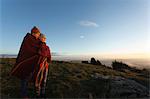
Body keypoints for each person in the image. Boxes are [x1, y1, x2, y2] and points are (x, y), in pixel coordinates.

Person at [10, 26, 41, 98]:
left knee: (27, 77)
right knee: (24, 78)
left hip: (30, 63)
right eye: (38, 34)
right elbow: (28, 50)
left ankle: (25, 91)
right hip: (25, 61)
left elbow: (38, 47)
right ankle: (23, 95)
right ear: (34, 33)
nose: (38, 35)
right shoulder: (28, 38)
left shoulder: (35, 40)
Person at [33, 33, 51, 98]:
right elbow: (41, 53)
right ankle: (37, 94)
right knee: (38, 79)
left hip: (45, 66)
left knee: (44, 80)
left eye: (44, 38)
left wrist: (48, 62)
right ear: (39, 38)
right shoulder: (37, 46)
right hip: (38, 66)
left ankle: (43, 93)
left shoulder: (47, 47)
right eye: (42, 37)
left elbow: (49, 56)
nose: (44, 39)